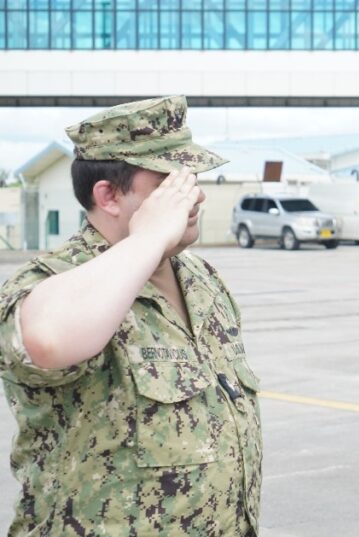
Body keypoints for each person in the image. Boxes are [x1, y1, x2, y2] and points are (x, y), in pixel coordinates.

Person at [0, 96, 263, 536]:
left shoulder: (200, 279)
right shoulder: (52, 280)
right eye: (170, 184)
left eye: (192, 179)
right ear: (109, 195)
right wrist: (149, 238)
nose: (195, 195)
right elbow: (46, 338)